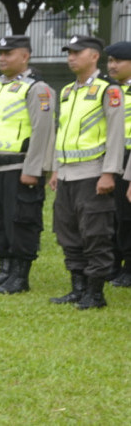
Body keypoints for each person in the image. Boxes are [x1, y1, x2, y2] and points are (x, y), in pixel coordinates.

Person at [0, 36, 55, 293]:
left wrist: (33, 169)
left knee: (20, 221)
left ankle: (20, 275)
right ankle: (4, 269)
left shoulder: (37, 88)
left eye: (9, 53)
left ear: (25, 56)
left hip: (19, 168)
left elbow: (43, 132)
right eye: (0, 53)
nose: (2, 58)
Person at [49, 35, 124, 309]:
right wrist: (57, 168)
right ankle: (77, 287)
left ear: (94, 56)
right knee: (67, 232)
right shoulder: (68, 91)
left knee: (95, 233)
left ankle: (95, 292)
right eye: (68, 52)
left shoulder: (109, 90)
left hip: (93, 173)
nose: (71, 57)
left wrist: (110, 172)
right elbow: (62, 133)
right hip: (68, 174)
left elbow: (117, 135)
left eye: (77, 53)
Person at [106, 42, 131, 287]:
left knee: (127, 216)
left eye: (118, 61)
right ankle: (113, 262)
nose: (112, 65)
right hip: (110, 159)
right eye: (110, 61)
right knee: (110, 214)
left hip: (129, 159)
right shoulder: (109, 90)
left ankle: (128, 266)